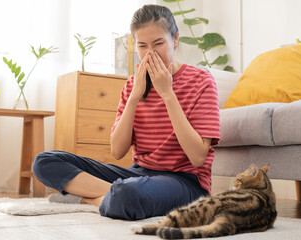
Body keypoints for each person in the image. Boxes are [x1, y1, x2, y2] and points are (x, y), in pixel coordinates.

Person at [33, 4, 220, 220]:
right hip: (139, 174)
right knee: (44, 161)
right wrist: (134, 97)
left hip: (186, 182)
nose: (150, 53)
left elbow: (198, 157)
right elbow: (118, 150)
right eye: (142, 45)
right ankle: (110, 196)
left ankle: (90, 198)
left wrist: (167, 94)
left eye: (159, 43)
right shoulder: (133, 85)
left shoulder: (202, 82)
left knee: (128, 193)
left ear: (175, 39)